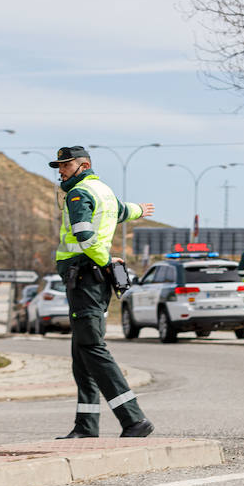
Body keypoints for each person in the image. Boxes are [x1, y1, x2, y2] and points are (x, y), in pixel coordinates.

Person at [49, 146, 156, 438]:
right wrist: (140, 210)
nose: (60, 171)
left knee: (93, 349)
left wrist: (106, 260)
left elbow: (85, 235)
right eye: (59, 166)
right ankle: (86, 426)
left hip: (85, 276)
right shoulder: (104, 191)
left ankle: (133, 419)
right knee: (81, 352)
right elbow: (122, 210)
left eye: (65, 166)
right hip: (92, 278)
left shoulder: (78, 193)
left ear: (83, 165)